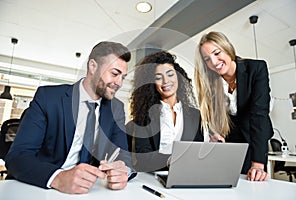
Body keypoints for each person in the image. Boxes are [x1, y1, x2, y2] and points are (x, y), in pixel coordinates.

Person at [5, 41, 135, 194]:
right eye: (114, 74)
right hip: (40, 188)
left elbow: (123, 153)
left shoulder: (116, 108)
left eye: (123, 77)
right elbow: (17, 157)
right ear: (93, 66)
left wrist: (123, 169)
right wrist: (59, 178)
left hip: (88, 191)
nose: (119, 83)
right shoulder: (48, 98)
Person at [194, 31, 274, 181]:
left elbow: (259, 114)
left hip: (255, 137)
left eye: (217, 53)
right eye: (207, 59)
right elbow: (213, 117)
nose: (214, 61)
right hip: (231, 142)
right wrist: (214, 134)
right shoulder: (212, 83)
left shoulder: (256, 69)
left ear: (227, 48)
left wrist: (257, 163)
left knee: (254, 180)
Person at [126, 51, 203, 172]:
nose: (166, 81)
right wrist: (174, 160)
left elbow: (198, 153)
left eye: (170, 74)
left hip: (186, 178)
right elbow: (143, 160)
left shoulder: (196, 116)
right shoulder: (144, 117)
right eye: (158, 77)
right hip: (153, 180)